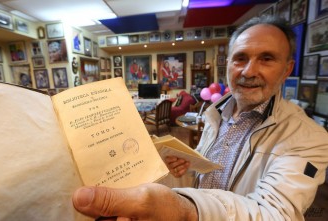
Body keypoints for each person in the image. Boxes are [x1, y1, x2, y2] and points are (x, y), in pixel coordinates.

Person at [72, 16, 328, 220]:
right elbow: (215, 161)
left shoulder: (310, 138)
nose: (249, 71)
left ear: (287, 69)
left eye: (266, 59)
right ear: (228, 63)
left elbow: (275, 214)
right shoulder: (215, 110)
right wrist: (191, 161)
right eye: (240, 58)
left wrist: (185, 208)